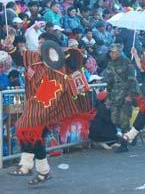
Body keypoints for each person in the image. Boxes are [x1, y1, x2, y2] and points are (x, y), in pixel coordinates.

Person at [3, 30, 93, 185]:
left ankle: (27, 166)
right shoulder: (35, 57)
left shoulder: (61, 61)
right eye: (38, 43)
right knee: (34, 136)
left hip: (52, 102)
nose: (39, 46)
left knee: (27, 126)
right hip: (36, 101)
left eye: (42, 43)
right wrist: (10, 47)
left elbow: (76, 62)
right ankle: (41, 171)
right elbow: (19, 57)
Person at [102, 43, 139, 149]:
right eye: (111, 52)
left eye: (114, 52)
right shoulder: (110, 65)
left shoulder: (127, 63)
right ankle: (131, 134)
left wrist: (130, 96)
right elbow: (109, 82)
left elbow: (132, 80)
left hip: (125, 94)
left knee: (124, 120)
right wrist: (108, 96)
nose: (111, 54)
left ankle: (124, 144)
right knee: (114, 119)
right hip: (115, 95)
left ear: (119, 52)